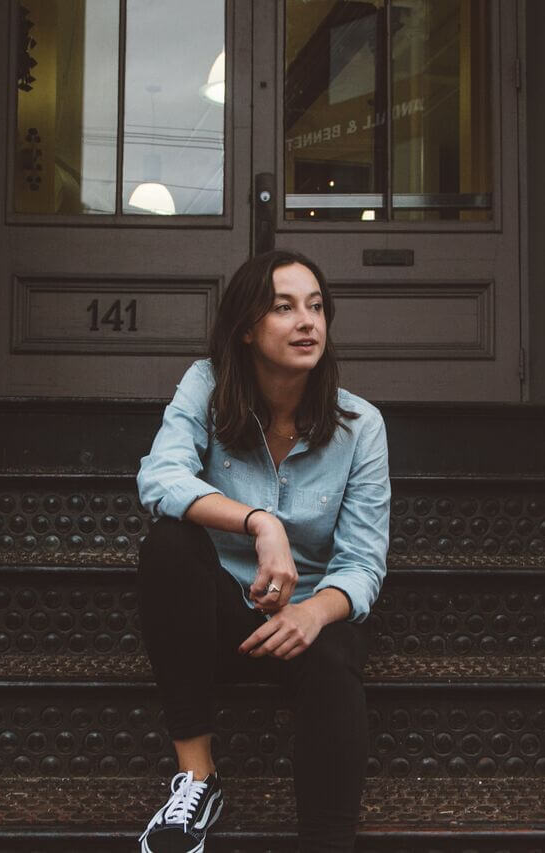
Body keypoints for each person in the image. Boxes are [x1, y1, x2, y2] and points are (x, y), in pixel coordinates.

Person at [135, 248, 391, 853]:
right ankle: (198, 777)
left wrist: (312, 612)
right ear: (247, 327)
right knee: (169, 545)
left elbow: (362, 563)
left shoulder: (361, 425)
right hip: (220, 616)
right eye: (284, 307)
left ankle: (328, 844)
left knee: (336, 656)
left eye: (316, 307)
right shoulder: (208, 384)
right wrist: (260, 524)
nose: (307, 322)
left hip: (304, 619)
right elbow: (160, 478)